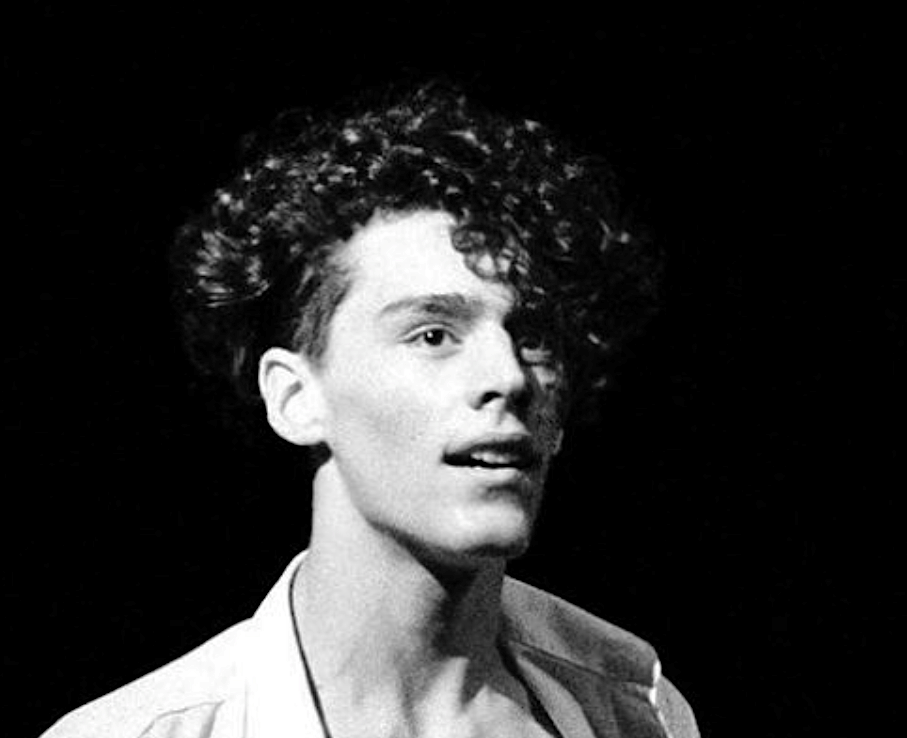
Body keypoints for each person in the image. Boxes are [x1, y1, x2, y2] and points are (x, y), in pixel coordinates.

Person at [41, 82, 699, 738]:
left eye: (533, 337)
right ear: (295, 398)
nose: (508, 377)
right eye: (433, 334)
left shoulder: (636, 714)